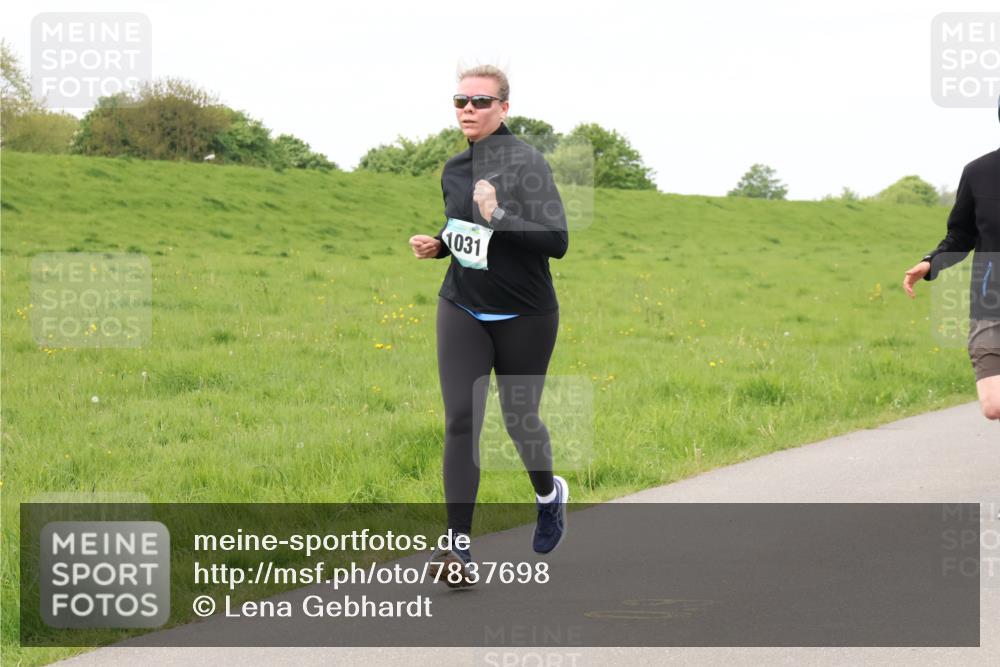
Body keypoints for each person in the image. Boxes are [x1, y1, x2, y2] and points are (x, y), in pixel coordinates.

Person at [409, 65, 570, 587]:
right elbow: (461, 226)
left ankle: (549, 495)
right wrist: (439, 245)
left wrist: (497, 214)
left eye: (480, 102)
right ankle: (458, 547)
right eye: (460, 101)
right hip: (463, 305)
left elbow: (556, 241)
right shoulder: (454, 168)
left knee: (520, 420)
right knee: (461, 418)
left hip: (525, 312)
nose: (468, 110)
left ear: (504, 108)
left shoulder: (527, 163)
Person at [903, 97, 1000, 423]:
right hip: (991, 306)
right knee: (993, 406)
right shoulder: (978, 173)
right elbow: (961, 235)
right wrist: (931, 262)